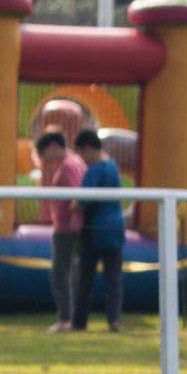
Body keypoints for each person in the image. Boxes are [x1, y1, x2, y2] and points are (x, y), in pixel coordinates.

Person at [71, 129, 126, 333]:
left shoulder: (94, 170)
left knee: (85, 276)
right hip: (115, 228)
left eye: (81, 154)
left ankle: (80, 321)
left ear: (87, 148)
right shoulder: (113, 165)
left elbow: (84, 199)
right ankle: (114, 319)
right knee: (114, 277)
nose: (82, 160)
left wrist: (73, 206)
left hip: (94, 230)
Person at [35, 130, 85, 332]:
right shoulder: (75, 162)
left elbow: (77, 193)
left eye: (43, 152)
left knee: (59, 274)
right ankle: (70, 317)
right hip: (65, 225)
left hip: (66, 228)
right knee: (69, 273)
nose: (44, 159)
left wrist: (75, 218)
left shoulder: (69, 165)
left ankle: (65, 319)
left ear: (53, 145)